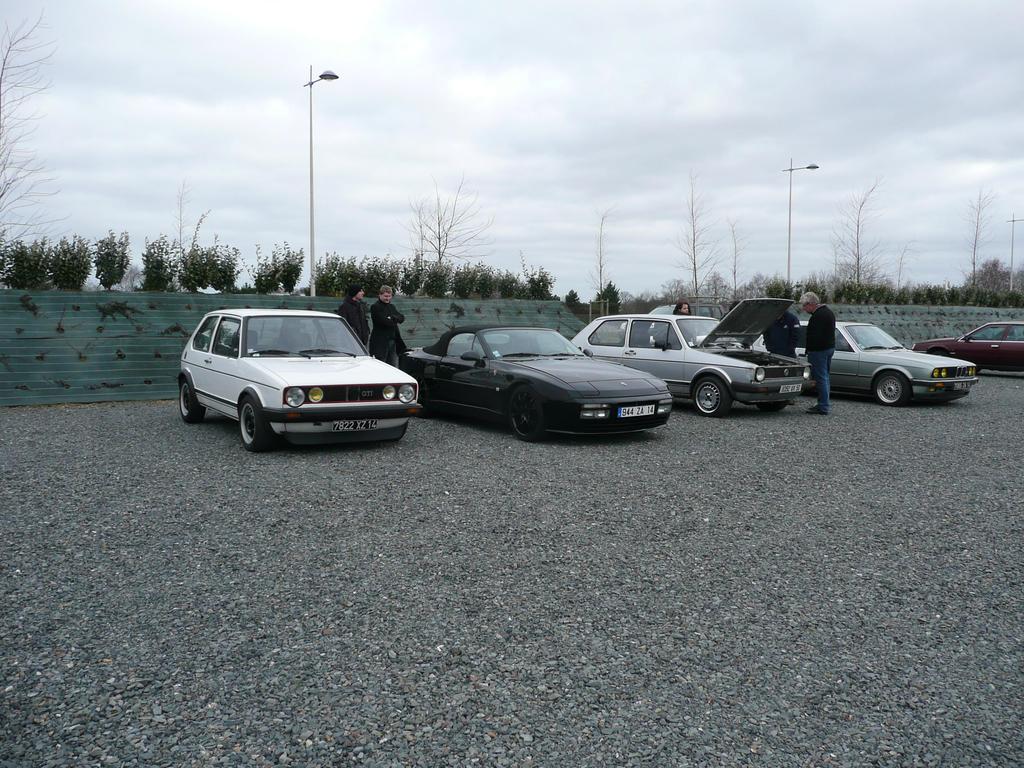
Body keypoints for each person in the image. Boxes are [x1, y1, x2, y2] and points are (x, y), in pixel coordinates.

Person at [800, 291, 836, 415]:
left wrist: (810, 350)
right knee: (825, 377)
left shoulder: (818, 316)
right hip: (829, 348)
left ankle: (823, 406)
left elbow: (815, 336)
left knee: (821, 378)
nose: (804, 309)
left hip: (819, 351)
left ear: (810, 304)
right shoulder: (828, 312)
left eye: (804, 306)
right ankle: (823, 402)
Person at [369, 285, 406, 366]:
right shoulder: (375, 307)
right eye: (385, 296)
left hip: (393, 341)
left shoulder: (391, 306)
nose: (387, 298)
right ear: (380, 295)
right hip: (380, 343)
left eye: (389, 296)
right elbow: (385, 322)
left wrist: (392, 317)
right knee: (381, 366)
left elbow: (402, 318)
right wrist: (395, 319)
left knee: (394, 366)